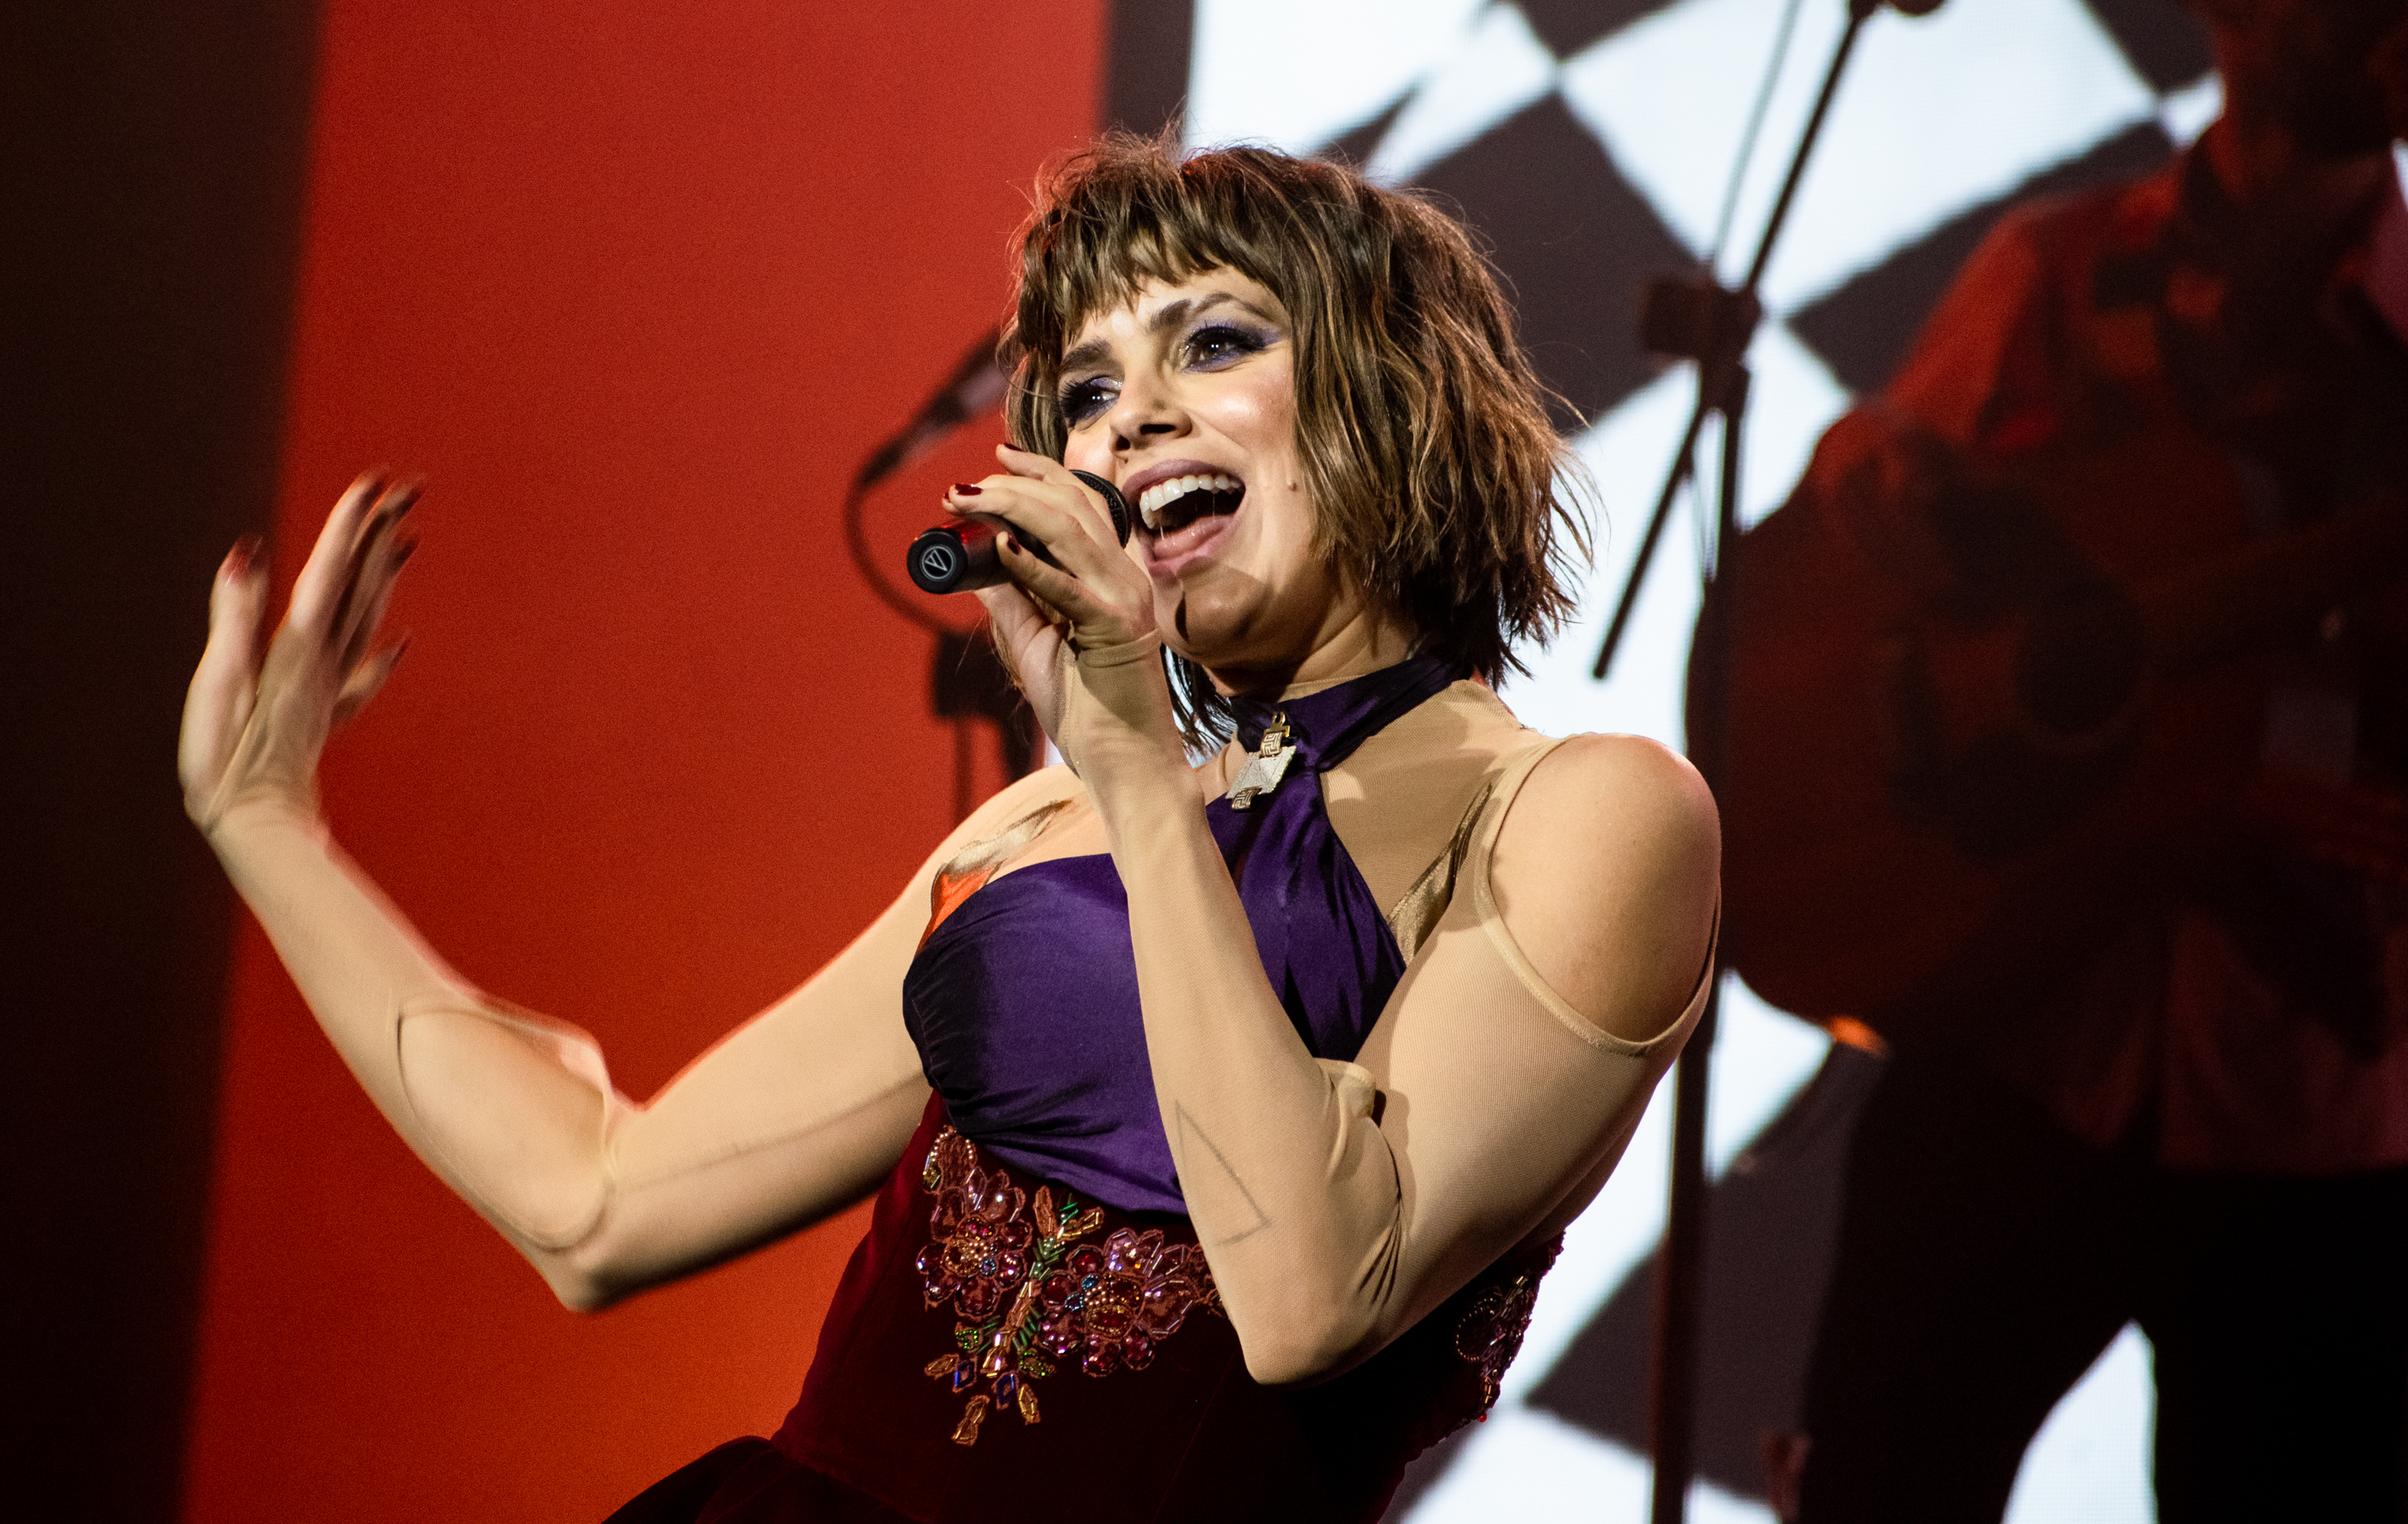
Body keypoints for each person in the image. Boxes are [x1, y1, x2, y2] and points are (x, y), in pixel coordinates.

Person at [177, 137, 1722, 1522]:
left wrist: (1126, 770)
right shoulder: (1045, 822)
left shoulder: (1588, 816)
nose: (1132, 424)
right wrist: (264, 827)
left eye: (1217, 344)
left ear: (1392, 395)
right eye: (1094, 392)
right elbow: (596, 1200)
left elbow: (1313, 1299)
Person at [1725, 0, 2408, 1517]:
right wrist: (1876, 492)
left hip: (2314, 1114)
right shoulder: (2058, 269)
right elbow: (1860, 561)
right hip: (2019, 1034)